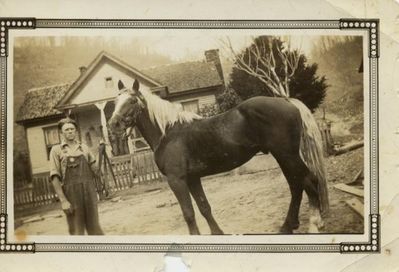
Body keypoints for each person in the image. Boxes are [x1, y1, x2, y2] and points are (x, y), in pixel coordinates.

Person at [49, 117, 104, 235]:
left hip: (89, 193)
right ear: (61, 133)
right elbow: (55, 177)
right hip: (71, 196)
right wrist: (63, 201)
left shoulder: (83, 147)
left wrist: (101, 151)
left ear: (76, 131)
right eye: (67, 130)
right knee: (76, 231)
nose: (70, 132)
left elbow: (96, 171)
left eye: (72, 129)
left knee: (95, 229)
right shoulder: (56, 150)